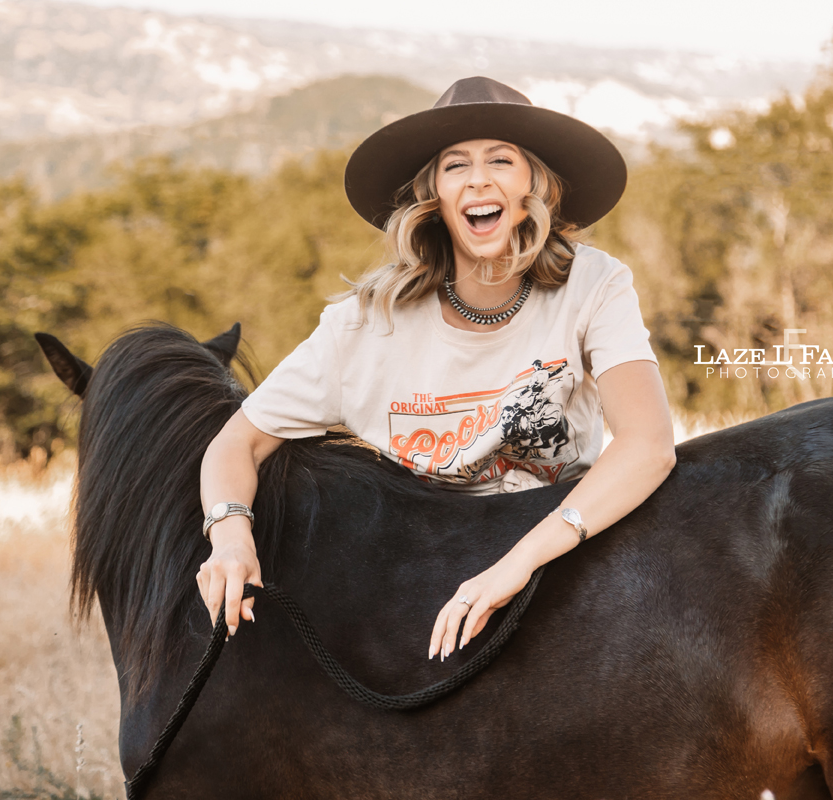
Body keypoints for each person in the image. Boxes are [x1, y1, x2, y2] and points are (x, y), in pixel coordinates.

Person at [196, 76, 676, 663]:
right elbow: (235, 445)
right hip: (411, 584)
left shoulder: (594, 284)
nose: (479, 179)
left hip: (557, 556)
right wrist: (230, 537)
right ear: (433, 195)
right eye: (456, 165)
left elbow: (648, 446)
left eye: (501, 159)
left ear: (535, 185)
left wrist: (517, 565)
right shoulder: (363, 324)